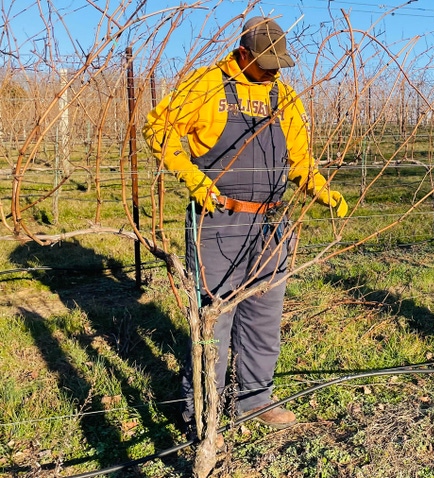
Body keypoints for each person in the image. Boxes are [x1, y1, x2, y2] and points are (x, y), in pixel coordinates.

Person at [143, 16, 348, 430]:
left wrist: (321, 189)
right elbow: (156, 128)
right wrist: (192, 175)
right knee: (214, 317)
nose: (274, 70)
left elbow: (299, 160)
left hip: (272, 224)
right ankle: (202, 410)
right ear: (242, 53)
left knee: (264, 315)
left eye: (279, 63)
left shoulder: (285, 97)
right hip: (220, 220)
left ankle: (255, 400)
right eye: (266, 62)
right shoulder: (206, 86)